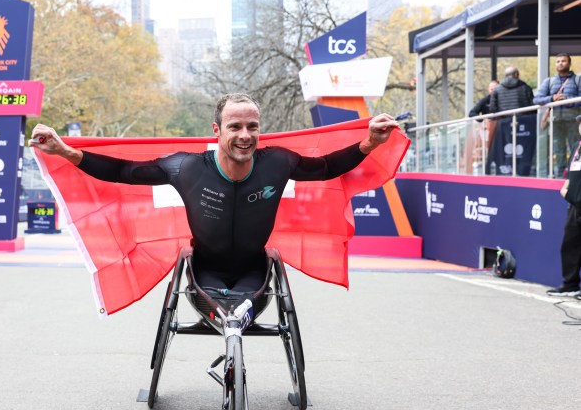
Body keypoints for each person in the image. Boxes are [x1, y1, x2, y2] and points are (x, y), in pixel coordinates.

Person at [30, 93, 397, 311]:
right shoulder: (187, 167)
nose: (245, 135)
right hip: (202, 276)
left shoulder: (279, 162)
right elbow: (124, 171)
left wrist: (370, 143)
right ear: (217, 131)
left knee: (246, 307)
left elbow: (327, 167)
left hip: (257, 274)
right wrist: (64, 150)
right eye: (235, 127)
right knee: (220, 308)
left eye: (252, 127)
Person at [549, 114, 581, 297]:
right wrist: (565, 188)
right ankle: (570, 284)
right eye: (580, 124)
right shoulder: (577, 147)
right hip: (574, 205)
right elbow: (570, 174)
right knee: (570, 245)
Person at [533, 53, 581, 177]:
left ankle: (574, 175)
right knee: (558, 151)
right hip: (555, 121)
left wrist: (567, 99)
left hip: (573, 121)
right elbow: (536, 99)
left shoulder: (578, 80)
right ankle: (560, 175)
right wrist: (552, 98)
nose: (560, 63)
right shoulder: (549, 81)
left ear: (569, 63)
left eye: (563, 61)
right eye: (558, 61)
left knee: (575, 148)